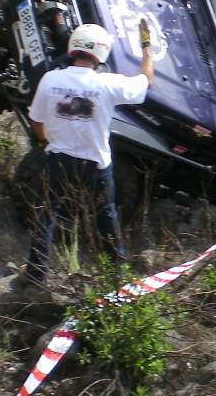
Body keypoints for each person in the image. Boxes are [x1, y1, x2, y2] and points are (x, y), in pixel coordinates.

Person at [22, 20, 154, 284]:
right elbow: (145, 81)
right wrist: (146, 46)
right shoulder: (107, 84)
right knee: (106, 216)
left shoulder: (51, 79)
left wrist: (44, 139)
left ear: (73, 47)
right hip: (95, 164)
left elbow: (36, 119)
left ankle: (36, 274)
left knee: (46, 214)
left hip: (58, 159)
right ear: (101, 53)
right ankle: (115, 276)